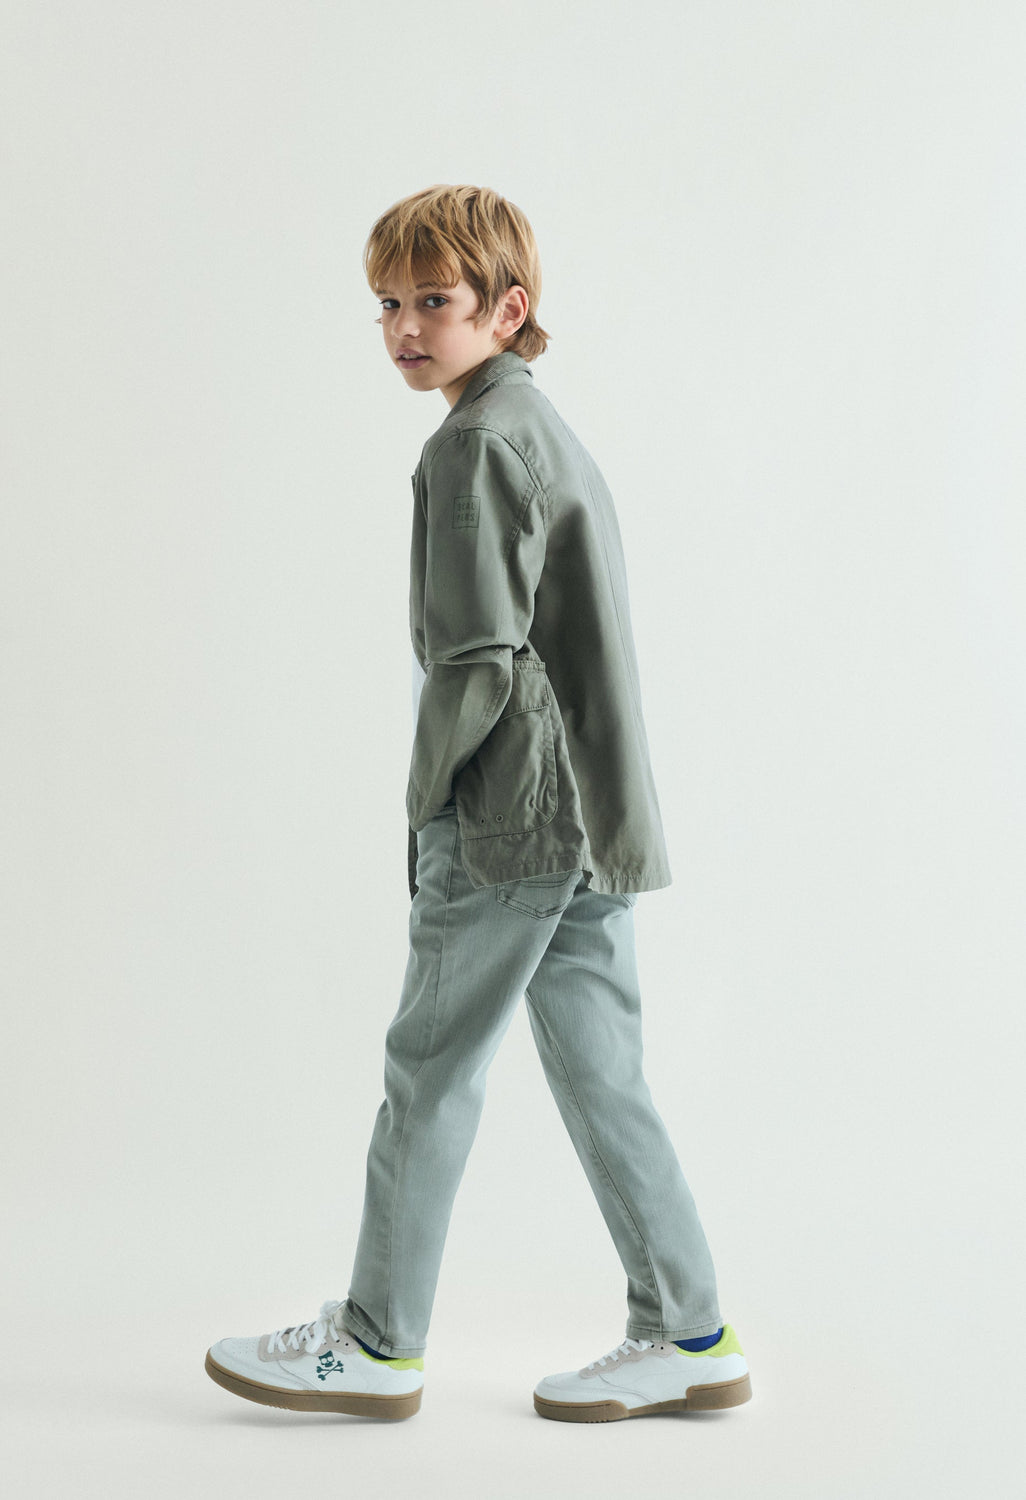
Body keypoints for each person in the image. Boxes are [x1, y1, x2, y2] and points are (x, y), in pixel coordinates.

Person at [204, 184, 752, 1424]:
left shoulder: (473, 445)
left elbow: (475, 661)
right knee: (603, 1076)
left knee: (428, 1067)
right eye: (386, 304)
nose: (405, 327)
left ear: (508, 308)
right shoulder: (538, 427)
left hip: (512, 815)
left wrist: (426, 808)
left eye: (433, 301)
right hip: (588, 813)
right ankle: (691, 1333)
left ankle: (374, 1343)